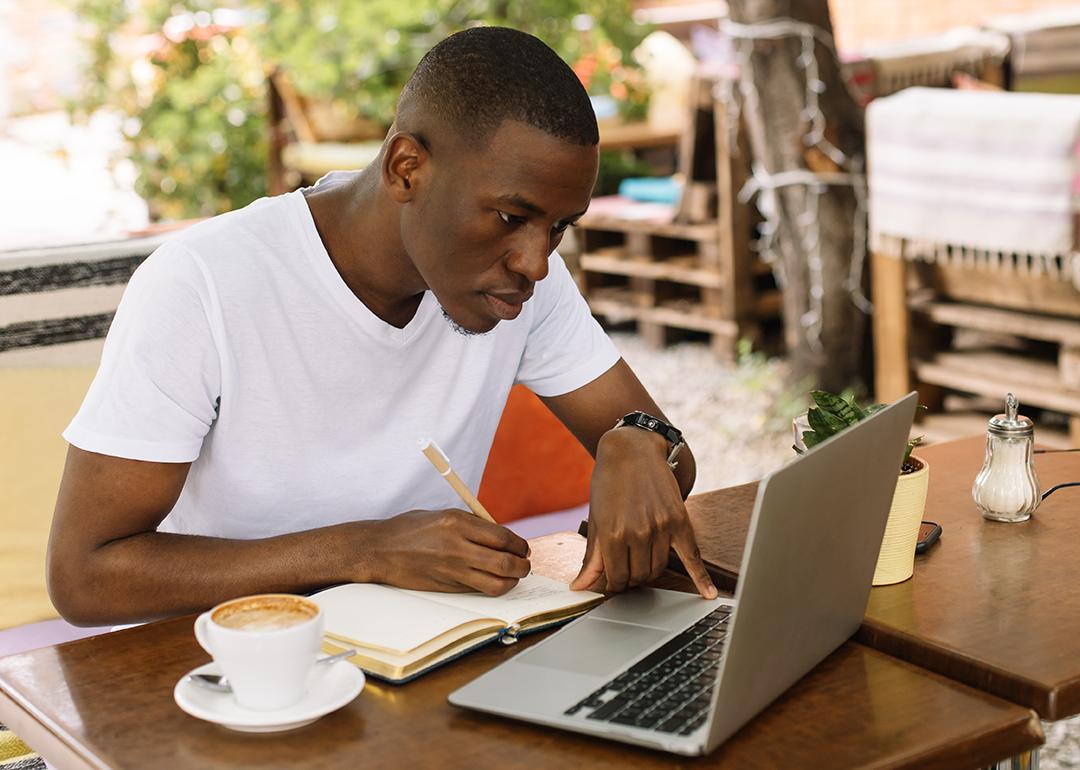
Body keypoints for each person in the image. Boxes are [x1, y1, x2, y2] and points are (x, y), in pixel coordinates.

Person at [47, 26, 716, 626]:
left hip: (416, 652)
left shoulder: (518, 283)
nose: (537, 261)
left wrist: (639, 441)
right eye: (512, 218)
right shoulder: (204, 283)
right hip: (231, 671)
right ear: (407, 168)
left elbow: (669, 467)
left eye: (560, 227)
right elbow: (85, 575)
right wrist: (362, 550)